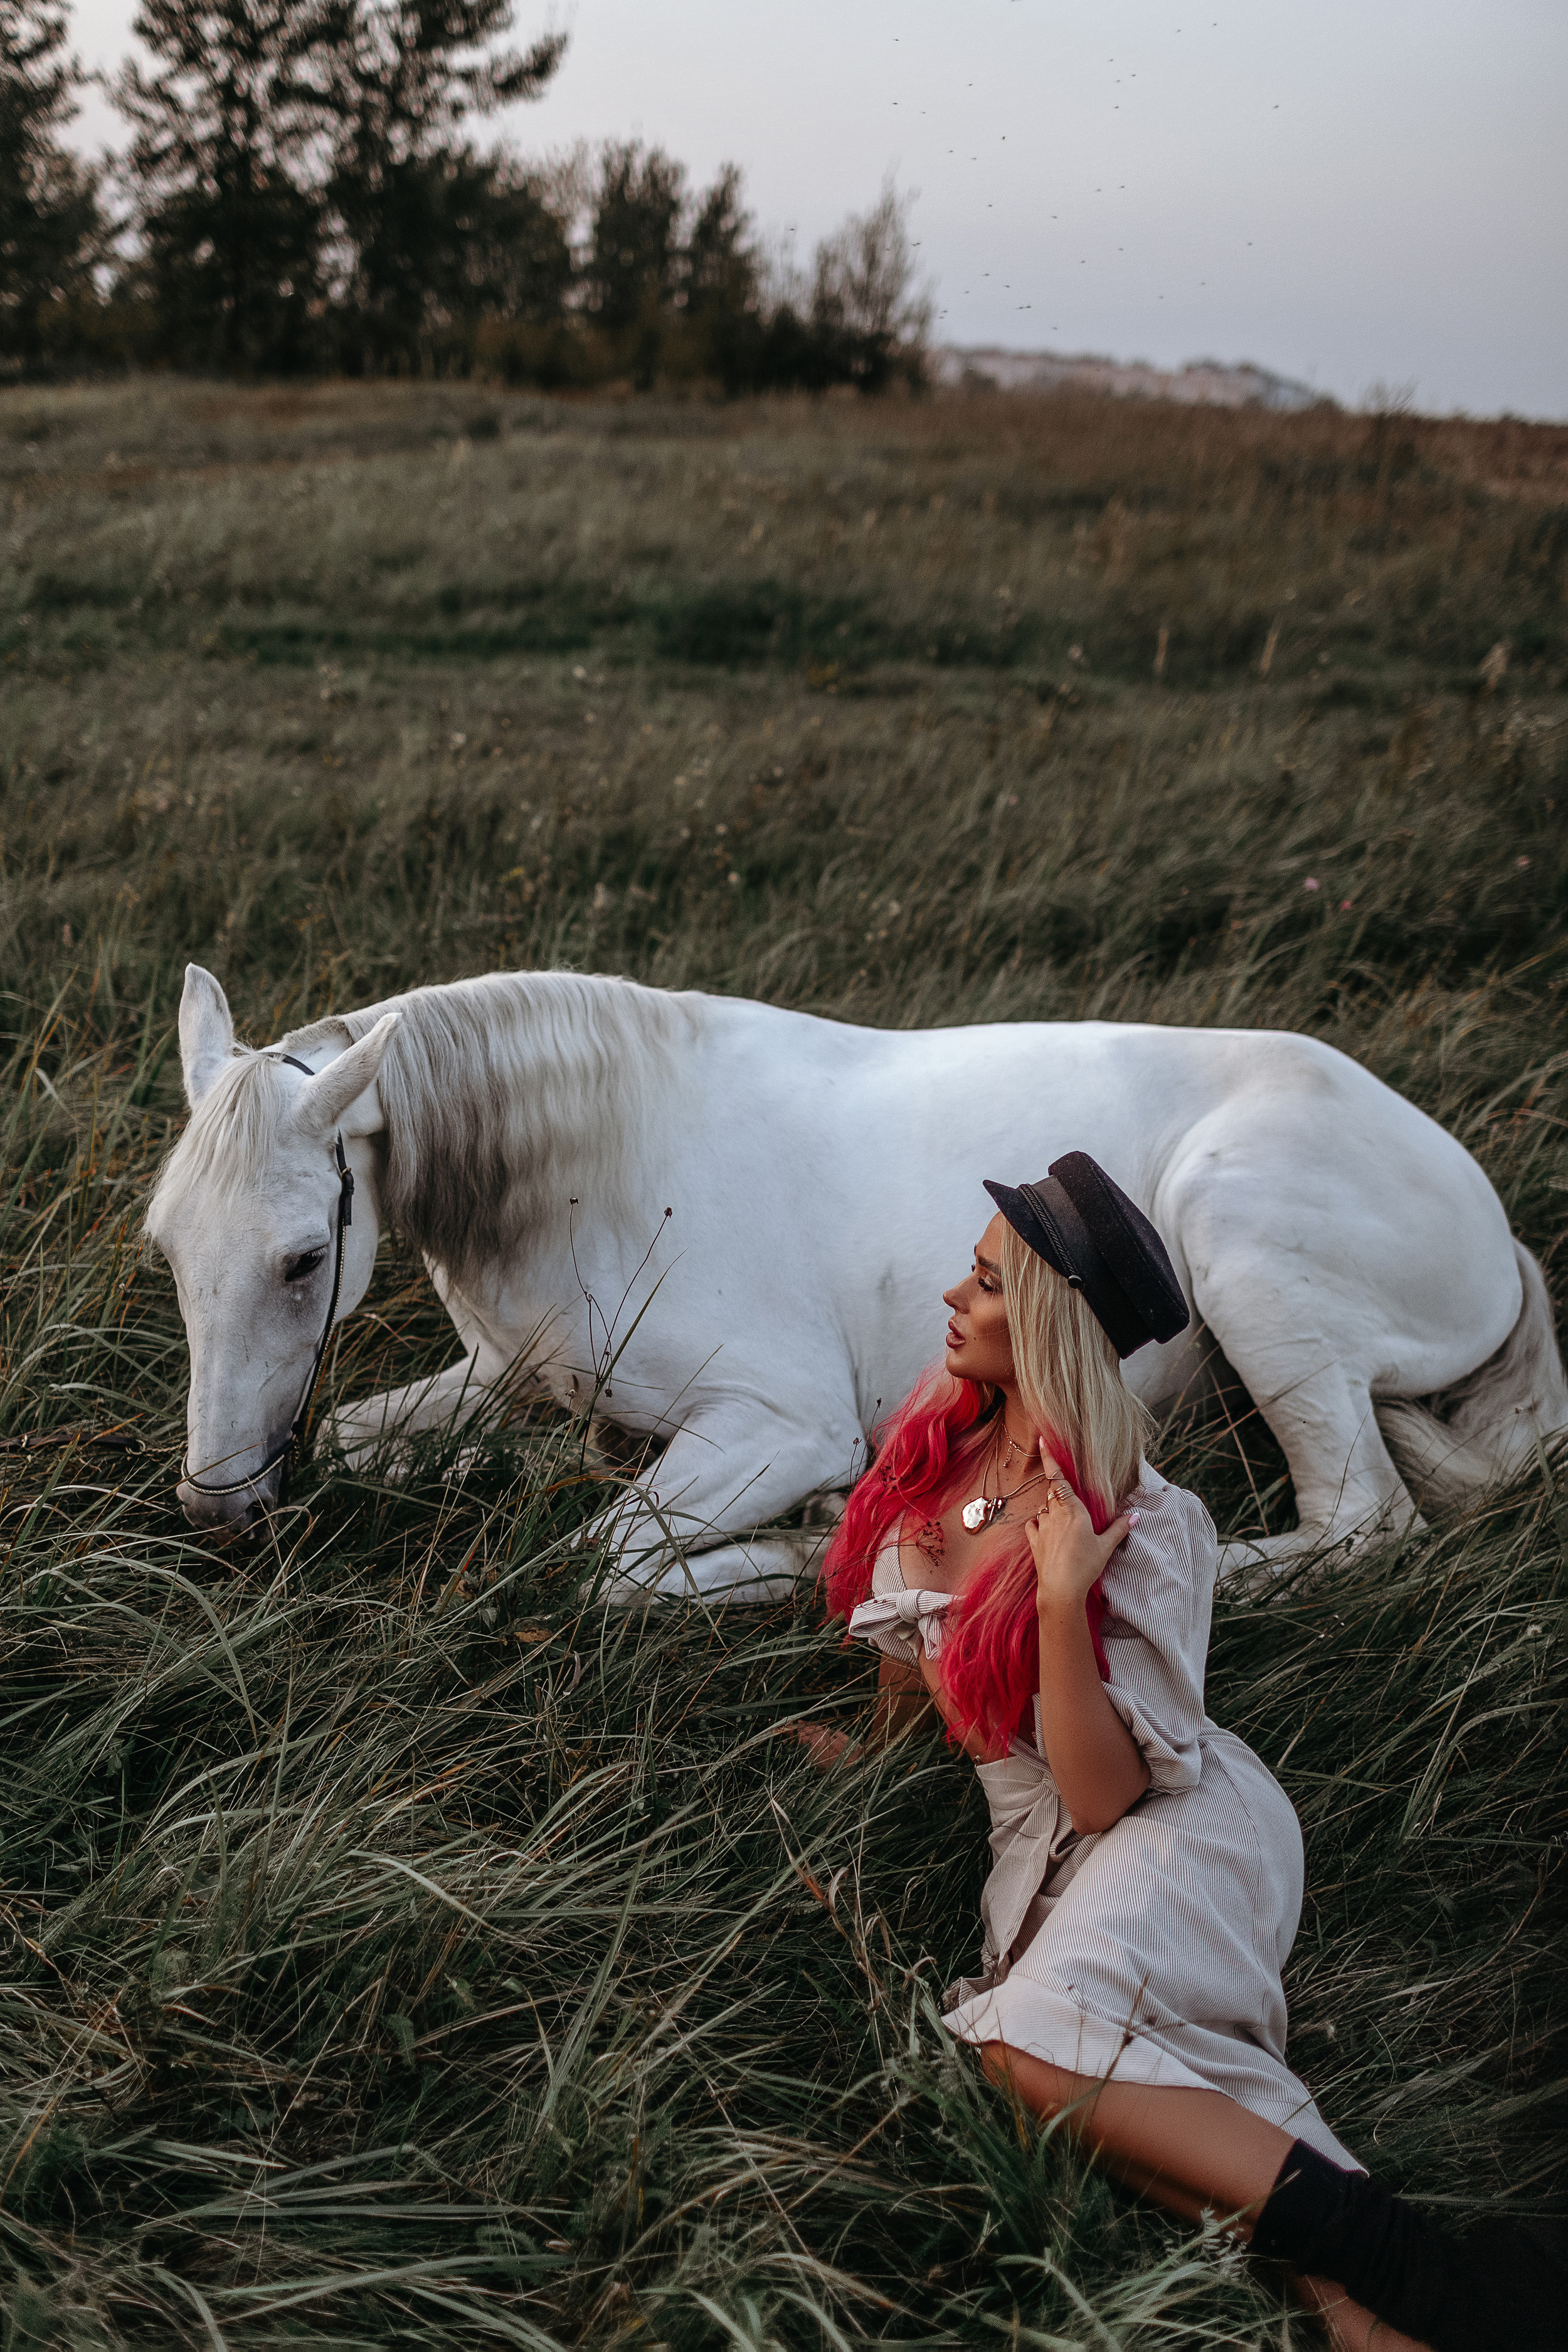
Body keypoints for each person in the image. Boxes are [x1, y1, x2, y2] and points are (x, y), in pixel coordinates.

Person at [804, 1152, 1560, 2352]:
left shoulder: (1146, 1521)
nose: (956, 1297)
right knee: (1112, 2087)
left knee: (1020, 2043)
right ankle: (1381, 2312)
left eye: (989, 1281)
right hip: (1035, 1850)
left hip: (1175, 1819)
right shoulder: (938, 1459)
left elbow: (1105, 1796)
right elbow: (917, 1675)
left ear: (1052, 1315)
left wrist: (1060, 1605)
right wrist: (875, 1754)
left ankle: (1402, 2256)